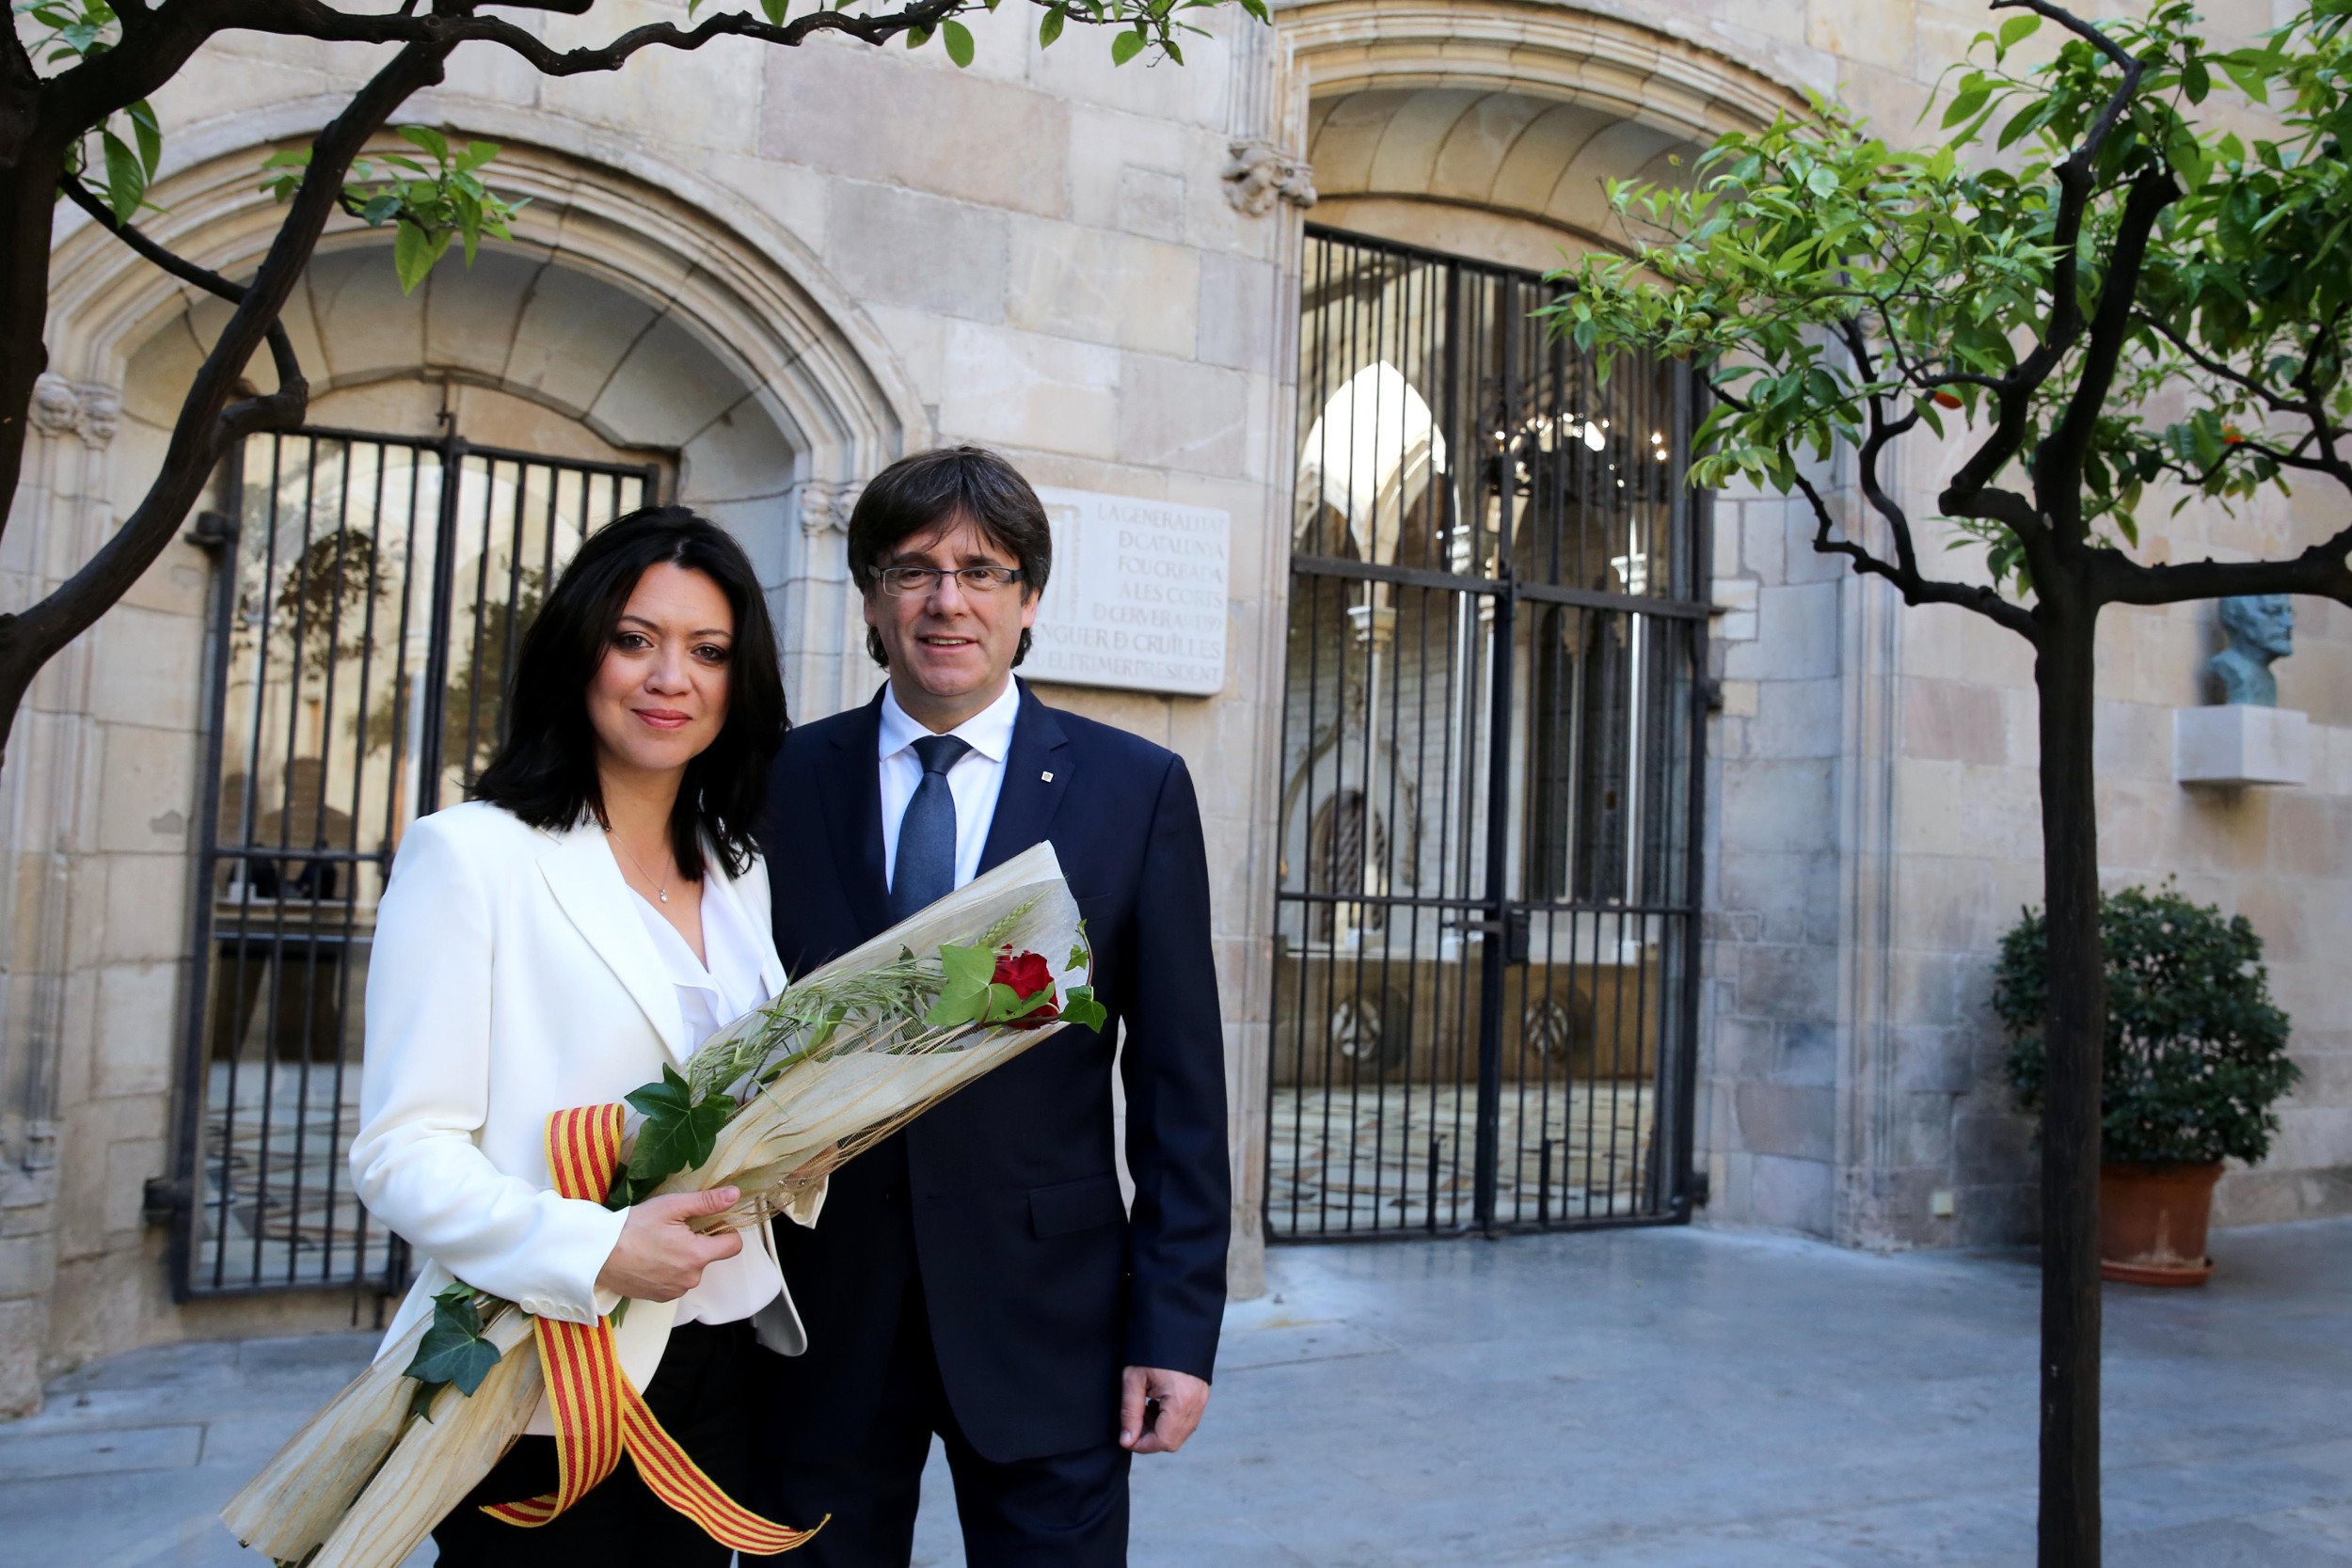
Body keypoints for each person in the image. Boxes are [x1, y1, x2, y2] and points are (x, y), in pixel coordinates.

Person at [749, 446, 1231, 1567]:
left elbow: (1178, 1090)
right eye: (913, 569)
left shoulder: (1132, 789)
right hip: (818, 1318)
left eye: (981, 568)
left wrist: (1175, 1327)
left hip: (1047, 1321)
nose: (946, 599)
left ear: (1027, 599)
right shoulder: (777, 781)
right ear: (870, 595)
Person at [349, 507, 811, 1567]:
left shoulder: (736, 864)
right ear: (581, 649)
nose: (669, 677)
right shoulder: (472, 856)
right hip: (551, 1371)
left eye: (707, 651)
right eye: (635, 638)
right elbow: (401, 1150)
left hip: (724, 1347)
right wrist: (599, 1246)